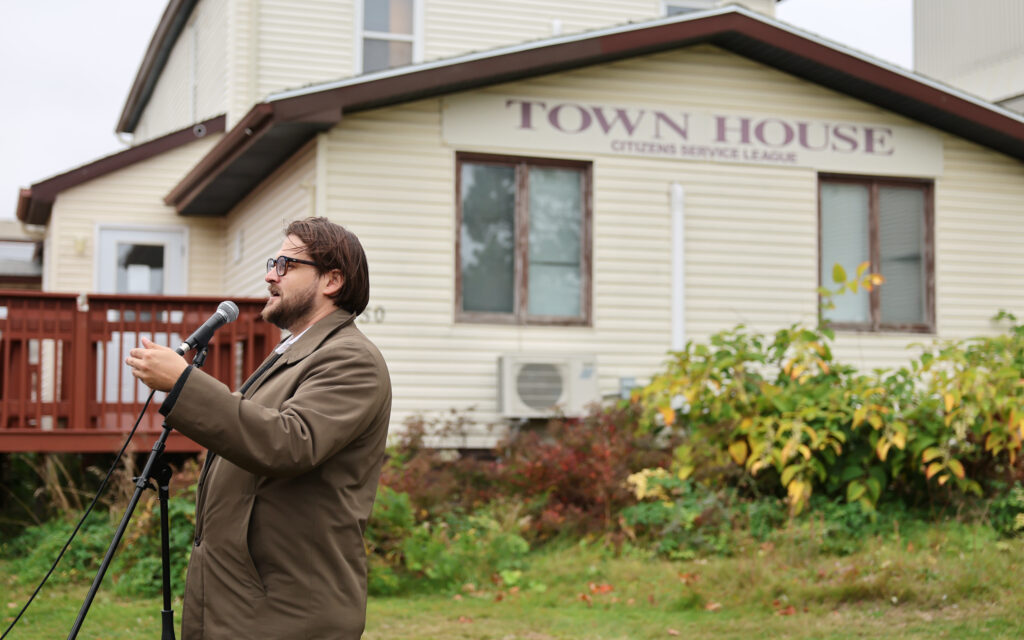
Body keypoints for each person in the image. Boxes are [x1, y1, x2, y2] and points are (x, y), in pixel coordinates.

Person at [126, 217, 391, 639]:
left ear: (332, 280)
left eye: (286, 264)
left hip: (288, 614)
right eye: (273, 262)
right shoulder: (295, 352)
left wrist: (183, 383)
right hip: (244, 606)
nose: (270, 274)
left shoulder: (351, 359)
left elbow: (289, 442)